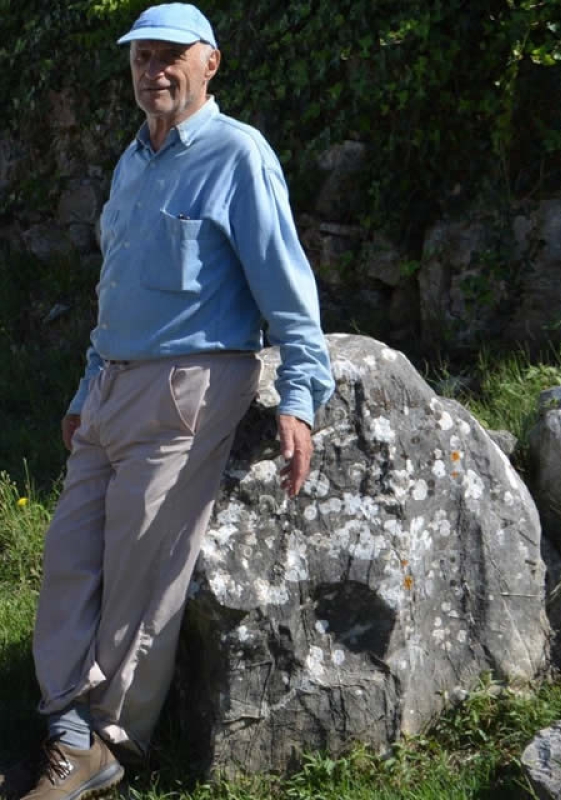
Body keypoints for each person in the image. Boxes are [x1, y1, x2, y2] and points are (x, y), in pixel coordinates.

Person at [16, 4, 334, 798]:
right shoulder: (133, 161)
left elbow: (289, 295)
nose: (153, 72)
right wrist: (90, 385)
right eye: (140, 59)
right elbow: (116, 285)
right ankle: (61, 722)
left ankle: (106, 748)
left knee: (140, 570)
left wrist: (299, 398)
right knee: (66, 559)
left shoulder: (238, 155)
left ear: (210, 64)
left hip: (192, 387)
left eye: (169, 58)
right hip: (115, 385)